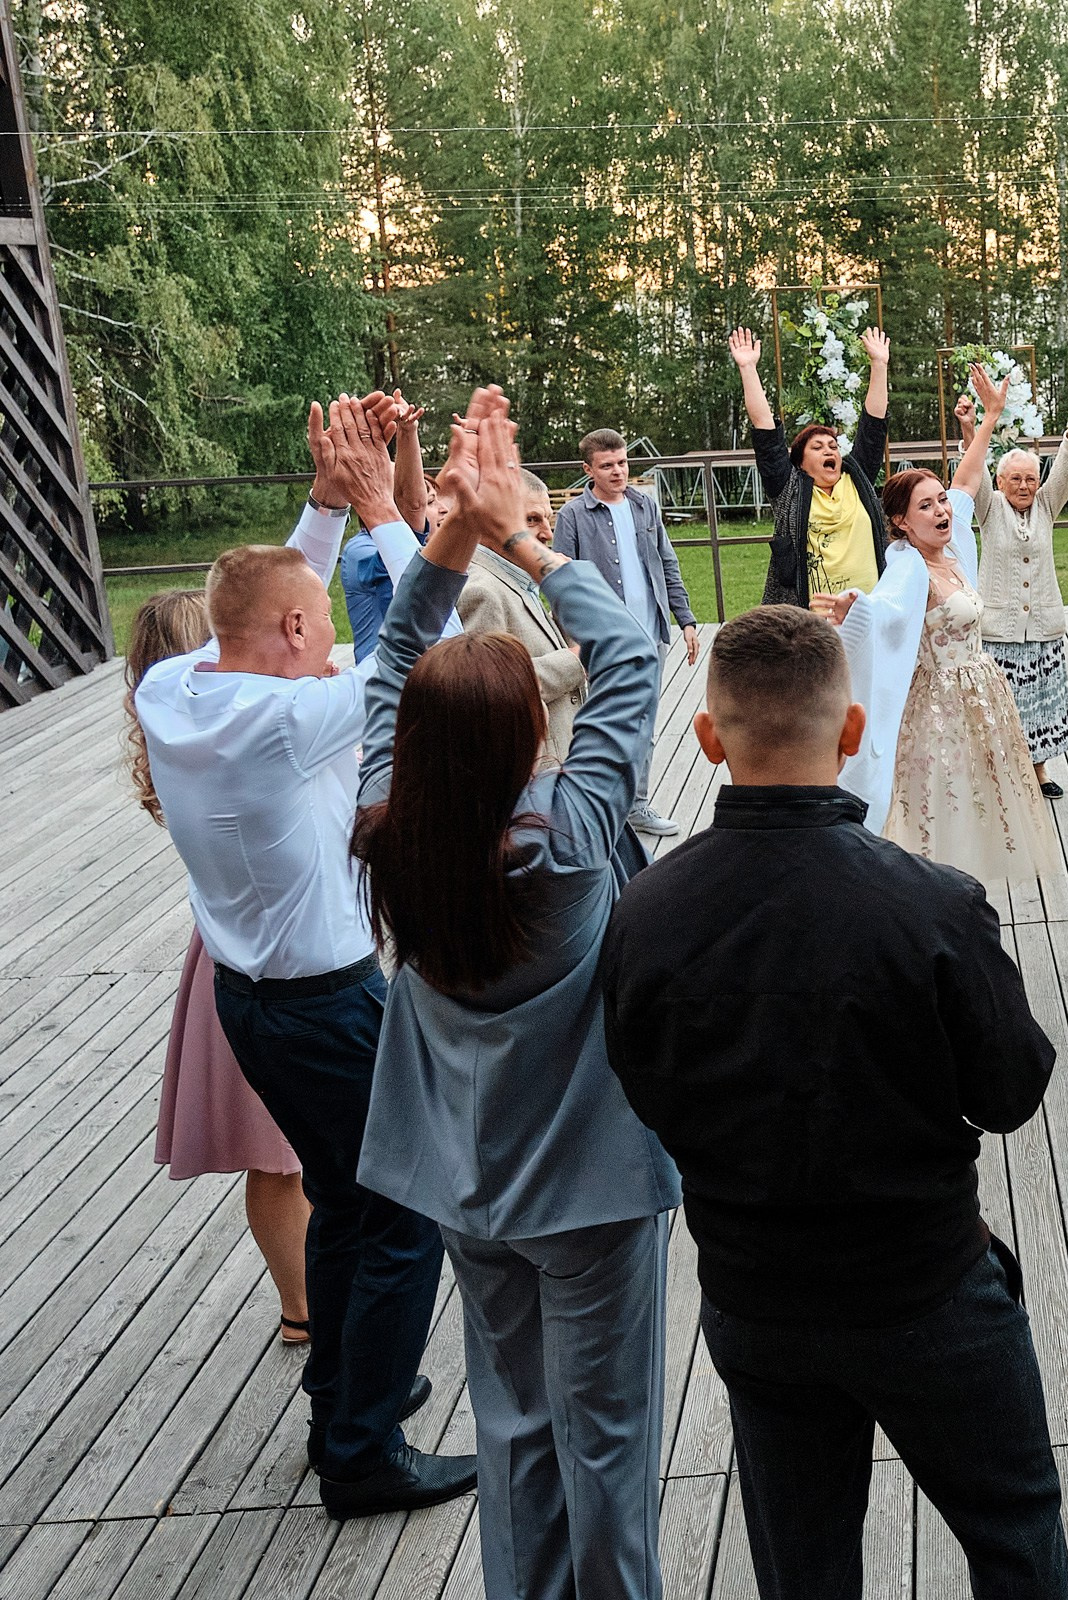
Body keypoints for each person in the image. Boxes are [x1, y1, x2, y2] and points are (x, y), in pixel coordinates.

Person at [600, 604, 1067, 1599]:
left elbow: (644, 1087)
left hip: (755, 1295)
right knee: (1013, 1527)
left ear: (708, 737)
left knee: (803, 1565)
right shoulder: (934, 904)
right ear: (852, 729)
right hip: (925, 1281)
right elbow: (1011, 1089)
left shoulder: (645, 914)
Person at [353, 385, 681, 1599]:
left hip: (464, 1173)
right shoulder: (571, 841)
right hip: (589, 1186)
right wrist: (516, 536)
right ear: (522, 740)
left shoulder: (387, 827)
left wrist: (447, 529)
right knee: (609, 1434)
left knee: (514, 1418)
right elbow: (630, 653)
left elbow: (394, 661)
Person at [134, 393, 470, 1519]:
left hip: (250, 999)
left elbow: (274, 605)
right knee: (406, 1214)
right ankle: (362, 1453)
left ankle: (344, 1386)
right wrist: (383, 512)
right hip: (328, 1006)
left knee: (340, 1196)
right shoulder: (286, 723)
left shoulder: (174, 689)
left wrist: (323, 509)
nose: (333, 637)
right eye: (319, 624)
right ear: (289, 634)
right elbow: (431, 649)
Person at [124, 589, 311, 1349]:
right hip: (270, 958)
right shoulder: (231, 741)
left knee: (282, 1157)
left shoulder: (177, 743)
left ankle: (302, 1302)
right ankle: (308, 1307)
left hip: (224, 950)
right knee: (282, 1155)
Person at [820, 461, 1063, 889]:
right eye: (926, 506)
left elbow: (967, 481)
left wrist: (984, 428)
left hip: (981, 697)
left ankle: (965, 892)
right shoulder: (910, 568)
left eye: (942, 500)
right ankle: (932, 892)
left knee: (979, 797)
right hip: (940, 707)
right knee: (944, 798)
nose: (941, 511)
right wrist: (858, 606)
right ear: (902, 521)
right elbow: (887, 606)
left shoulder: (955, 552)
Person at [553, 429, 700, 839]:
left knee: (645, 724)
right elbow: (560, 581)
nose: (618, 471)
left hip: (650, 634)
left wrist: (686, 619)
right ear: (588, 470)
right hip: (602, 642)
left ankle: (637, 805)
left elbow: (666, 562)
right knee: (603, 726)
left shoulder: (644, 506)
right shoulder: (573, 516)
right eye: (607, 466)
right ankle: (601, 810)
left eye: (622, 463)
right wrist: (573, 641)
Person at [965, 369, 1068, 797]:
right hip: (998, 631)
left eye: (1030, 478)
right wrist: (970, 429)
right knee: (998, 707)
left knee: (1039, 704)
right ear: (1000, 482)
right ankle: (999, 777)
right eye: (1015, 478)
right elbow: (974, 473)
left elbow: (1066, 469)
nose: (1024, 485)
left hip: (1041, 629)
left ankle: (1039, 773)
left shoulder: (1047, 506)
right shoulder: (989, 507)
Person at [730, 324, 892, 604]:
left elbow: (874, 427)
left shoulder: (856, 478)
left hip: (870, 613)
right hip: (812, 622)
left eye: (833, 446)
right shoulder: (790, 490)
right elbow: (765, 432)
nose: (829, 450)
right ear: (800, 464)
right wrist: (747, 368)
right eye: (817, 447)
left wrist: (879, 364)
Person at [457, 469, 586, 767]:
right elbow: (493, 690)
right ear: (493, 521)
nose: (547, 533)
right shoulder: (481, 590)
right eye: (532, 519)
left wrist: (564, 595)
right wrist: (577, 660)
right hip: (532, 771)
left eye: (548, 519)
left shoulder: (518, 576)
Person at [336, 394, 428, 658]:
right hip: (382, 676)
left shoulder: (419, 542)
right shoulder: (359, 550)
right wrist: (407, 434)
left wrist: (408, 429)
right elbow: (412, 507)